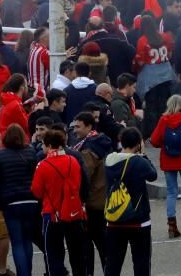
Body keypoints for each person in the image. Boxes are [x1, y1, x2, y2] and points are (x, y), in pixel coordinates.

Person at [31, 127, 87, 276]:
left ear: (49, 146)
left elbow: (36, 191)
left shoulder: (43, 165)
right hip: (73, 212)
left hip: (52, 214)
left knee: (53, 253)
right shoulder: (73, 160)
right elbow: (79, 184)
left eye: (43, 144)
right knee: (77, 253)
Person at [104, 127, 158, 276]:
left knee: (113, 263)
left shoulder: (109, 161)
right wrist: (144, 155)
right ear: (137, 144)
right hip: (138, 219)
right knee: (141, 262)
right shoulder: (139, 162)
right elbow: (153, 175)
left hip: (114, 220)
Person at [0, 124, 38, 276]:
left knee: (17, 243)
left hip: (10, 203)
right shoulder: (31, 152)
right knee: (27, 241)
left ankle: (23, 273)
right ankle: (28, 272)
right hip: (31, 200)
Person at [150, 94, 181, 239]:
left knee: (171, 192)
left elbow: (155, 141)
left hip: (168, 160)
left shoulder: (164, 120)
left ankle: (172, 225)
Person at [73, 111, 113, 275]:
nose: (74, 130)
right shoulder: (102, 141)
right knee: (104, 245)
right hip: (103, 199)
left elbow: (84, 174)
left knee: (87, 244)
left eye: (78, 126)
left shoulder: (88, 148)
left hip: (91, 202)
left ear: (89, 127)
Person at [133, 14, 176, 138]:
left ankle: (153, 133)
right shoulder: (164, 36)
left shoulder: (143, 40)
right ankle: (164, 129)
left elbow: (140, 61)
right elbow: (170, 54)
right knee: (164, 104)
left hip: (150, 77)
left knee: (151, 106)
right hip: (166, 74)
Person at [0, 73, 29, 138]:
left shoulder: (7, 100)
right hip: (13, 141)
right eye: (26, 85)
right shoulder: (16, 105)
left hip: (6, 139)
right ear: (21, 88)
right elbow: (27, 126)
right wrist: (35, 112)